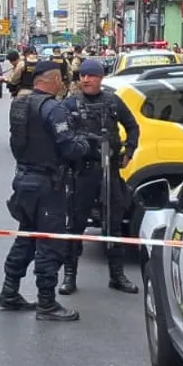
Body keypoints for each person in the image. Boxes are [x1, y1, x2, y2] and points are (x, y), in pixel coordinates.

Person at [0, 60, 92, 321]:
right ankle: (47, 304)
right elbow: (70, 148)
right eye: (60, 80)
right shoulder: (53, 108)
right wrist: (84, 144)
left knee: (26, 237)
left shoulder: (19, 104)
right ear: (51, 80)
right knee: (50, 243)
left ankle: (9, 292)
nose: (63, 84)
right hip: (47, 184)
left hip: (24, 180)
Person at [62, 58, 140, 295]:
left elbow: (133, 127)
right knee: (75, 225)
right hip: (83, 173)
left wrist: (129, 151)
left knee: (114, 224)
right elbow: (62, 136)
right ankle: (69, 276)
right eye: (82, 76)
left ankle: (117, 275)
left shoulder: (113, 101)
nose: (85, 79)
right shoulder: (71, 104)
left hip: (110, 172)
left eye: (91, 75)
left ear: (100, 78)